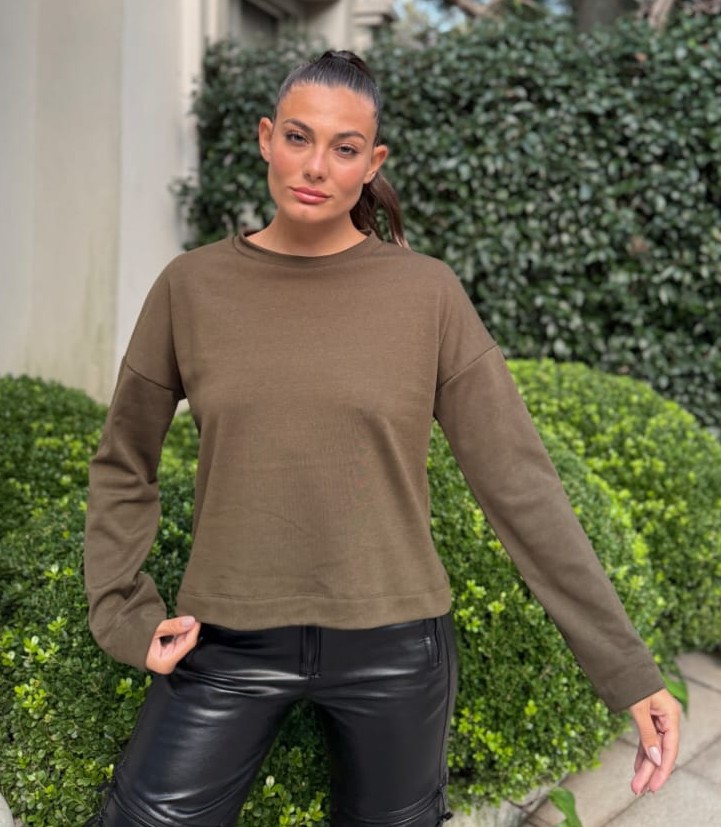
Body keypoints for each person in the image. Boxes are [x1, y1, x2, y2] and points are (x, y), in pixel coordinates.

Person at [83, 50, 680, 827]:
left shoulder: (425, 294)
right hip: (225, 640)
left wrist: (628, 670)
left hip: (395, 651)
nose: (315, 166)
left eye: (345, 148)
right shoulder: (190, 287)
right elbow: (123, 459)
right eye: (297, 137)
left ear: (373, 163)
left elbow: (518, 482)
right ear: (265, 138)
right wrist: (122, 611)